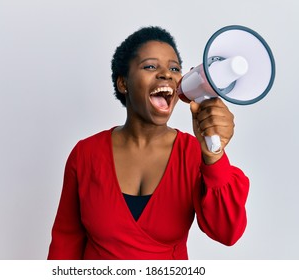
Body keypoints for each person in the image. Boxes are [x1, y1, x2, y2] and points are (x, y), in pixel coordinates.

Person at [47, 26, 249, 260]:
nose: (166, 74)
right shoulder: (85, 154)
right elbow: (66, 242)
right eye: (150, 66)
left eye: (174, 68)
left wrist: (214, 158)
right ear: (123, 83)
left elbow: (227, 232)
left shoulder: (194, 153)